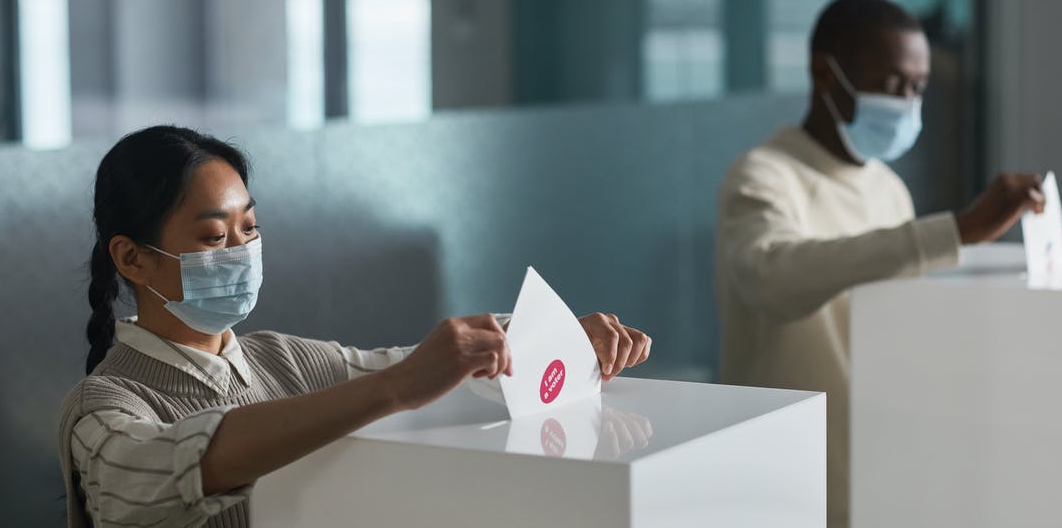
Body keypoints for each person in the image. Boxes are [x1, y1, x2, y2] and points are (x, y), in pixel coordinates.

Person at [59, 125, 652, 527]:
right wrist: (391, 390)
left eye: (250, 230)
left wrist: (554, 337)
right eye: (215, 237)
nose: (240, 251)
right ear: (132, 258)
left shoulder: (281, 360)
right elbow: (152, 470)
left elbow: (424, 366)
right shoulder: (103, 405)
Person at [714, 0, 1044, 528]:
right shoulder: (762, 176)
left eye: (918, 88)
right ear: (825, 74)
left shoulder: (888, 190)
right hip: (783, 480)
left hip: (879, 473)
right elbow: (770, 276)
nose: (908, 104)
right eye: (893, 83)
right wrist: (954, 231)